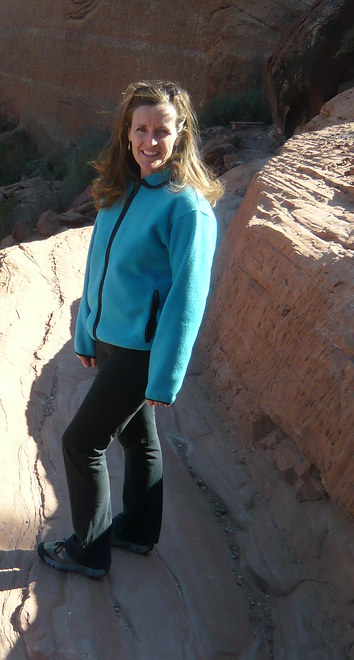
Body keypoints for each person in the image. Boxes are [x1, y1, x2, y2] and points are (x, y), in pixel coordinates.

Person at [37, 80, 223, 580]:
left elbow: (188, 296)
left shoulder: (187, 208)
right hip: (111, 340)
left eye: (162, 130)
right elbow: (97, 267)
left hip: (142, 351)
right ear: (127, 133)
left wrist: (166, 375)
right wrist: (85, 334)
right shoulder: (119, 192)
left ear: (181, 133)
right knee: (138, 439)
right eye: (141, 129)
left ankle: (90, 549)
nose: (150, 141)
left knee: (82, 442)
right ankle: (139, 531)